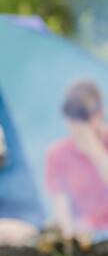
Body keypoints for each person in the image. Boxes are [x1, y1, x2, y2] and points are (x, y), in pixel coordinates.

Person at [45, 78, 108, 240]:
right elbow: (61, 208)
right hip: (84, 231)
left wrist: (96, 151)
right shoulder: (57, 154)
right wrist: (70, 238)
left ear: (100, 113)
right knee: (3, 230)